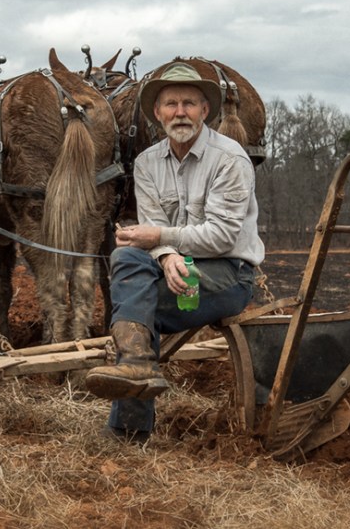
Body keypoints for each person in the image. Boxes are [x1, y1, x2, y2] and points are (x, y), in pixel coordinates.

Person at [85, 61, 265, 442]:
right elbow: (152, 233)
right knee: (125, 258)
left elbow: (221, 237)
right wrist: (166, 256)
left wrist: (160, 242)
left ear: (204, 110)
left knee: (137, 301)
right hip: (171, 269)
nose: (179, 112)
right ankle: (136, 366)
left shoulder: (230, 160)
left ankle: (126, 430)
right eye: (171, 104)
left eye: (189, 103)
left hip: (227, 274)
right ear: (157, 112)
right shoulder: (148, 163)